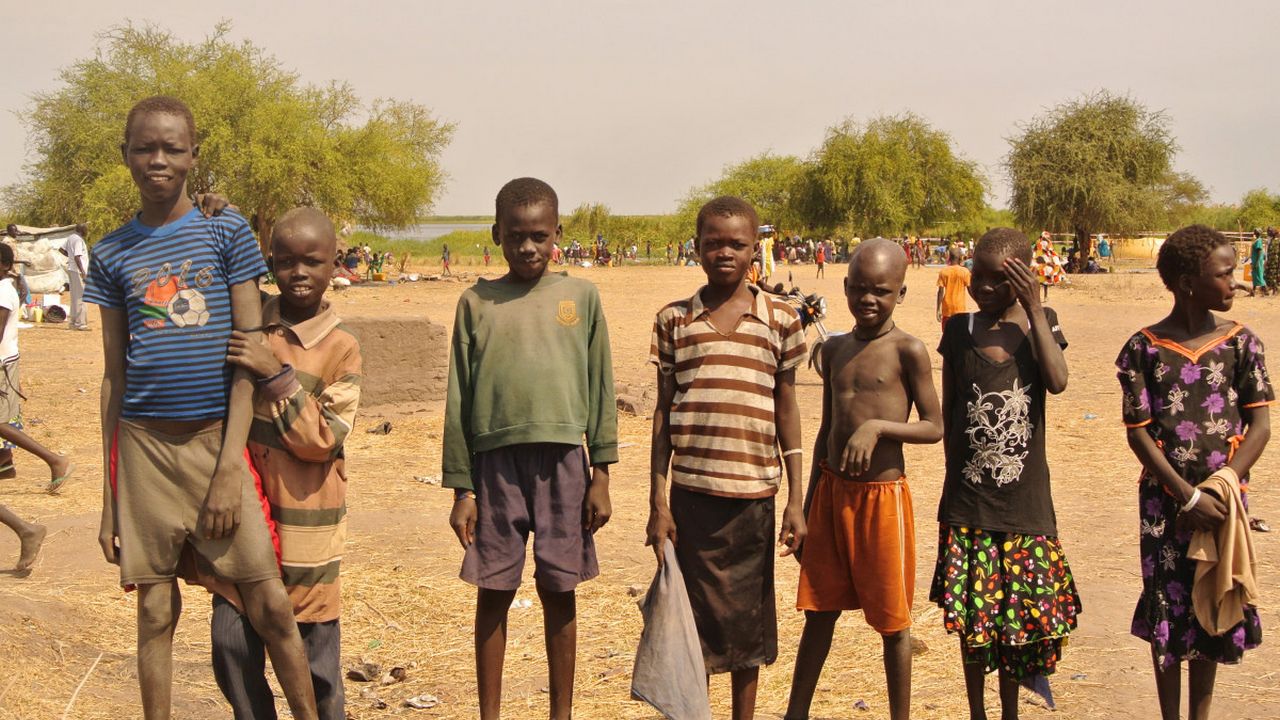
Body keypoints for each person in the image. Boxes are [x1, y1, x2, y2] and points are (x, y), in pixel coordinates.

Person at [84, 95, 317, 719]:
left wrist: (227, 467)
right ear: (125, 155)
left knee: (269, 603)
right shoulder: (110, 254)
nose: (157, 159)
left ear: (193, 155)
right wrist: (110, 500)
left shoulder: (226, 233)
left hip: (217, 440)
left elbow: (246, 355)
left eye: (171, 148)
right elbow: (114, 375)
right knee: (155, 609)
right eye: (144, 147)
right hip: (142, 449)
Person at [443, 177, 616, 720]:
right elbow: (458, 397)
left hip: (565, 460)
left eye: (539, 236)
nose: (528, 248)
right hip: (495, 465)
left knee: (559, 589)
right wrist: (461, 487)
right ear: (497, 234)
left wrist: (602, 473)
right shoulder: (475, 302)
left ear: (557, 233)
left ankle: (559, 713)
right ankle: (489, 713)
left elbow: (601, 384)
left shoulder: (580, 297)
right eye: (516, 236)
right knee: (493, 590)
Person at [178, 207, 360, 720]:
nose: (298, 273)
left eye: (313, 261)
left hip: (307, 525)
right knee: (232, 646)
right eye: (285, 261)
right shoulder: (252, 318)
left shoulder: (341, 348)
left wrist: (274, 374)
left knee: (315, 660)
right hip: (244, 520)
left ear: (334, 265)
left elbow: (323, 440)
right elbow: (208, 274)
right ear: (269, 262)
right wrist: (219, 217)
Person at [647, 196, 806, 720]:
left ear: (755, 249)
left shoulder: (780, 318)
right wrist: (658, 501)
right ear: (695, 247)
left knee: (746, 629)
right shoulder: (673, 320)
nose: (724, 253)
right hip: (691, 498)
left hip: (754, 498)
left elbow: (787, 406)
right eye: (712, 242)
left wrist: (797, 500)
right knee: (689, 623)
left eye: (736, 244)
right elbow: (663, 414)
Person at [1116, 224, 1271, 720]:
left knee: (1213, 603)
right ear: (1187, 282)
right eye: (1224, 273)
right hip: (1165, 505)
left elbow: (1260, 425)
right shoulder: (1143, 348)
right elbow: (1139, 433)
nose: (1235, 282)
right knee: (1167, 603)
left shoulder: (1242, 344)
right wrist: (1185, 495)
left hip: (1224, 502)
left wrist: (1222, 484)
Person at [785, 238, 943, 720]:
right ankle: (796, 712)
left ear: (902, 292)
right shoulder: (833, 350)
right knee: (819, 611)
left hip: (882, 499)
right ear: (845, 287)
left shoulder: (908, 350)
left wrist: (878, 428)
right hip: (832, 493)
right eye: (858, 289)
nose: (868, 300)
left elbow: (935, 426)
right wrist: (806, 506)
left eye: (882, 291)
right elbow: (825, 431)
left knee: (893, 622)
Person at [932, 228, 1081, 720]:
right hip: (969, 502)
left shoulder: (1041, 325)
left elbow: (1057, 382)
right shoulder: (958, 331)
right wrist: (953, 495)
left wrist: (1036, 309)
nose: (985, 287)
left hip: (1024, 504)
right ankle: (977, 712)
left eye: (1000, 279)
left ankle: (1011, 712)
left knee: (1019, 623)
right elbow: (951, 415)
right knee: (975, 622)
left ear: (1022, 277)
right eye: (978, 275)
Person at [0, 242, 75, 489]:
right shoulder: (7, 287)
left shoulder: (3, 291)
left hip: (2, 363)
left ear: (4, 265)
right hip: (7, 358)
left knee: (1, 423)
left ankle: (54, 460)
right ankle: (4, 463)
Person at [57, 223, 90, 330]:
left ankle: (73, 322)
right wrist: (83, 272)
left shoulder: (71, 238)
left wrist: (70, 257)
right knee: (81, 296)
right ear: (82, 230)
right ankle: (81, 324)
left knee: (74, 297)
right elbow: (77, 256)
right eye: (86, 229)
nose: (87, 231)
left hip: (72, 269)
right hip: (78, 271)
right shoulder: (78, 240)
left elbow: (61, 249)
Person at [936, 246, 971, 329]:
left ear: (949, 257)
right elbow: (970, 290)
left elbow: (940, 292)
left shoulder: (943, 272)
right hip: (960, 308)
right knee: (959, 334)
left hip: (947, 308)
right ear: (960, 258)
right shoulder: (965, 272)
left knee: (946, 334)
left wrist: (938, 309)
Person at [1031, 231, 1065, 300]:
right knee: (1045, 281)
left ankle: (1038, 297)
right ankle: (1045, 296)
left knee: (1039, 281)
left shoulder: (1037, 241)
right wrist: (1056, 256)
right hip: (1045, 261)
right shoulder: (1046, 242)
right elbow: (1049, 250)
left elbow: (1034, 249)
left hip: (1037, 262)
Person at [1249, 228, 1266, 296]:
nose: (1254, 232)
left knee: (1259, 276)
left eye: (1255, 231)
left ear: (1257, 233)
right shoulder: (1257, 240)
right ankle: (1253, 291)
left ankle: (1265, 290)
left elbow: (1259, 252)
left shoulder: (1258, 241)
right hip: (1255, 260)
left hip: (1257, 261)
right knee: (1255, 275)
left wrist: (1257, 262)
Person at [1264, 227, 1280, 293]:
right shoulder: (1271, 241)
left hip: (1276, 262)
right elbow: (1268, 252)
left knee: (1274, 276)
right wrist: (1266, 260)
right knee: (1268, 274)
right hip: (1270, 261)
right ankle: (1271, 288)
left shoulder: (1278, 241)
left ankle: (1275, 290)